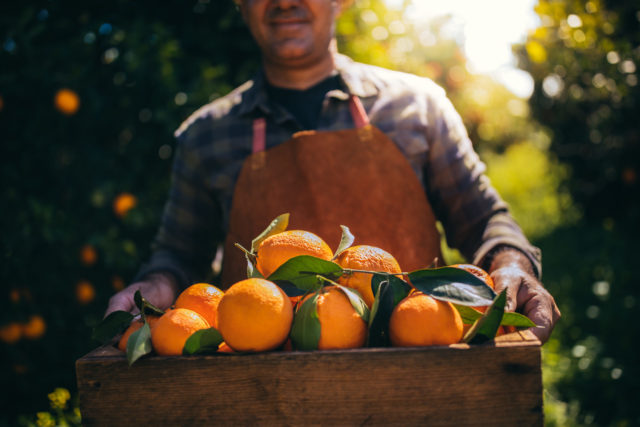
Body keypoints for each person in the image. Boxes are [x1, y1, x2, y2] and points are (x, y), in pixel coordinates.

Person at [106, 0, 560, 343]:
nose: (285, 2)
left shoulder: (416, 108)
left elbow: (483, 220)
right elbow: (179, 255)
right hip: (259, 394)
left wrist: (513, 266)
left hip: (422, 368)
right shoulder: (207, 136)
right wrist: (153, 288)